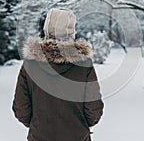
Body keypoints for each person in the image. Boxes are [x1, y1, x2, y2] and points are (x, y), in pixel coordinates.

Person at [12, 8, 104, 141]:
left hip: (40, 135)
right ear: (71, 30)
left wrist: (38, 124)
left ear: (46, 29)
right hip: (77, 136)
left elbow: (21, 107)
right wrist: (80, 125)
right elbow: (94, 108)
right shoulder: (83, 64)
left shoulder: (30, 64)